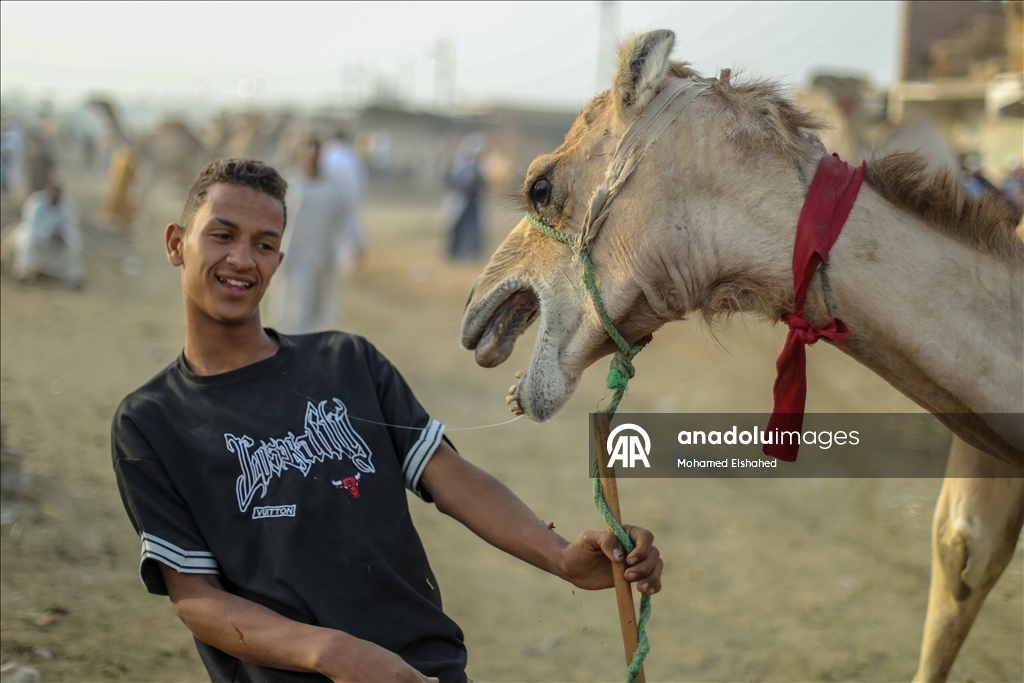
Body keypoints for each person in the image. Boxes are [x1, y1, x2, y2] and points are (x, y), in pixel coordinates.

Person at [111, 158, 662, 683]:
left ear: (280, 261)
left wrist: (562, 557)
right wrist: (334, 653)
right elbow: (196, 599)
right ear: (176, 244)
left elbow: (450, 476)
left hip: (422, 668)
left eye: (265, 244)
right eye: (222, 235)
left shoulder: (346, 362)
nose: (242, 259)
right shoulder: (151, 422)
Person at [265, 139, 357, 333]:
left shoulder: (330, 189)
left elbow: (344, 219)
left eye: (316, 155)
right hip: (291, 254)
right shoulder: (290, 185)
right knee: (287, 306)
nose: (312, 159)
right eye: (308, 154)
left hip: (320, 257)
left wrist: (355, 245)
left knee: (313, 309)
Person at [8, 183, 83, 288]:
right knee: (28, 243)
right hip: (35, 235)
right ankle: (22, 275)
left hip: (57, 238)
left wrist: (63, 235)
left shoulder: (66, 204)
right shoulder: (36, 202)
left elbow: (71, 224)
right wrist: (49, 234)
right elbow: (32, 224)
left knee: (74, 243)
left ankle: (73, 277)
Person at [441, 133, 486, 260]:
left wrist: (475, 186)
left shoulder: (477, 165)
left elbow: (483, 182)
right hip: (458, 200)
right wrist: (462, 187)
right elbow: (449, 180)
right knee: (456, 226)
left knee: (472, 227)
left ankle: (472, 252)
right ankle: (455, 252)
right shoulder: (456, 163)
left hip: (472, 201)